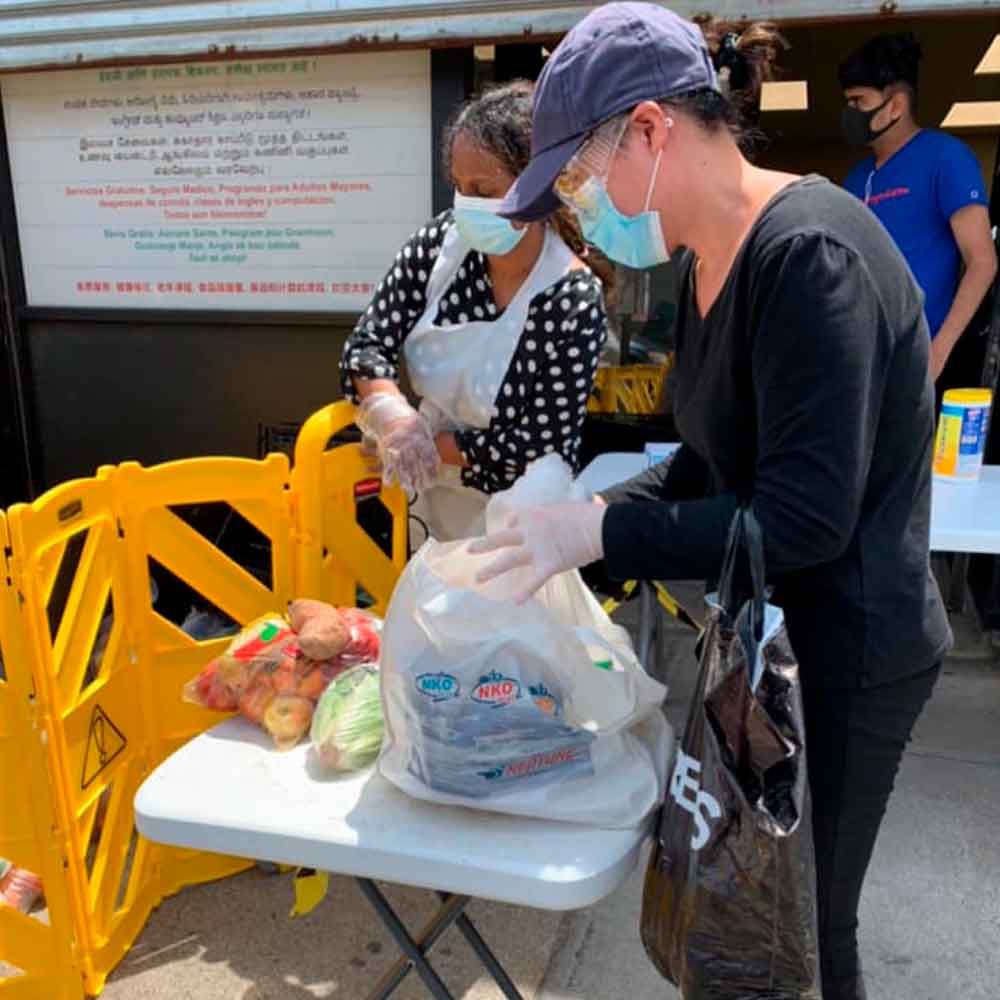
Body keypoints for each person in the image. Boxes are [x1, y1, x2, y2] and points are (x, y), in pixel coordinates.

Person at [470, 5, 952, 999]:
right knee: (744, 911)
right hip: (765, 639)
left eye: (576, 174)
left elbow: (805, 520)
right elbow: (704, 462)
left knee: (805, 922)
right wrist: (574, 531)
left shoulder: (809, 260)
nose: (577, 203)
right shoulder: (705, 267)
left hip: (848, 649)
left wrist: (603, 526)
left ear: (649, 131)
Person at [340, 81, 612, 543]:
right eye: (459, 187)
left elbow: (534, 445)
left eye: (483, 189)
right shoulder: (439, 247)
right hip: (426, 501)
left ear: (538, 186)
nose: (466, 203)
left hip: (523, 518)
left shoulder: (572, 299)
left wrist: (429, 447)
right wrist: (392, 417)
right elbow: (368, 345)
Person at [840, 32, 997, 389]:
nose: (850, 113)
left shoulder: (946, 158)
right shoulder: (856, 178)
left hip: (920, 363)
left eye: (858, 101)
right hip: (859, 364)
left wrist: (940, 349)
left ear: (895, 105)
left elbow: (983, 261)